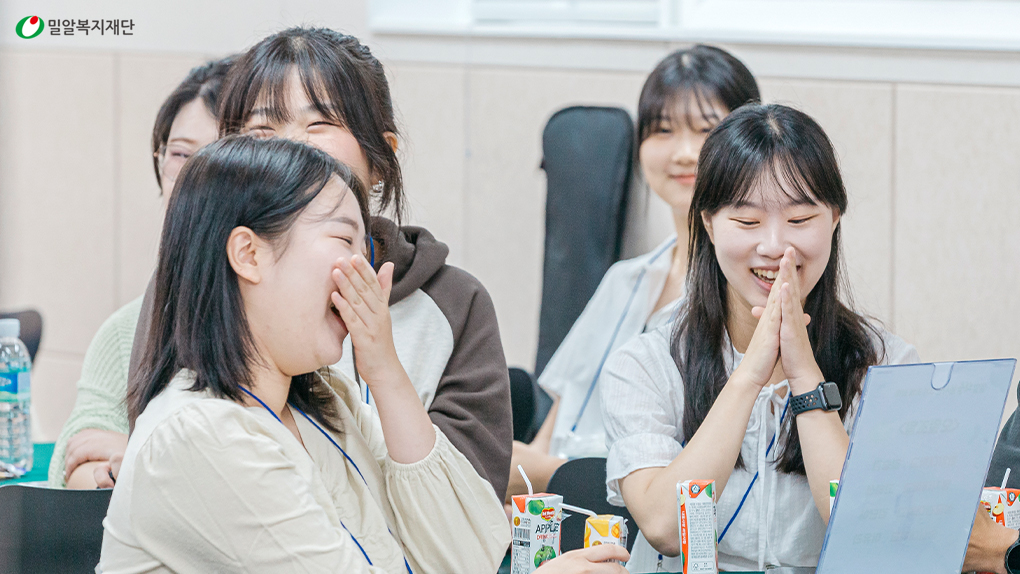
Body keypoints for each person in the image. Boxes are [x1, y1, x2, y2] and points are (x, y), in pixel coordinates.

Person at [124, 27, 513, 500]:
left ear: (381, 158)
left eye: (319, 124)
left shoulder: (455, 303)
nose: (291, 148)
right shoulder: (200, 276)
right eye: (262, 131)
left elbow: (468, 507)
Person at [99, 135, 509, 573]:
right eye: (343, 239)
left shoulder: (326, 400)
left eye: (364, 250)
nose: (364, 270)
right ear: (248, 254)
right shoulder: (197, 436)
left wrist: (386, 372)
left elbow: (468, 559)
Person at [599, 103, 920, 571]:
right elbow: (664, 526)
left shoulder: (887, 364)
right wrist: (749, 375)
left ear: (834, 219)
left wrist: (805, 378)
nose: (774, 246)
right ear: (708, 224)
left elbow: (869, 532)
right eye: (747, 222)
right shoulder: (646, 364)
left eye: (799, 220)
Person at [509, 45, 760, 500]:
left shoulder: (748, 296)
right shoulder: (624, 280)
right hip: (563, 511)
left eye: (706, 129)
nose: (684, 153)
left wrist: (543, 474)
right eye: (662, 129)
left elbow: (698, 471)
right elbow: (555, 428)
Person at [49, 56, 232, 489]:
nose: (192, 177)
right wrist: (126, 463)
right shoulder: (128, 329)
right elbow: (74, 464)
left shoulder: (283, 324)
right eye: (180, 154)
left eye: (217, 157)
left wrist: (137, 451)